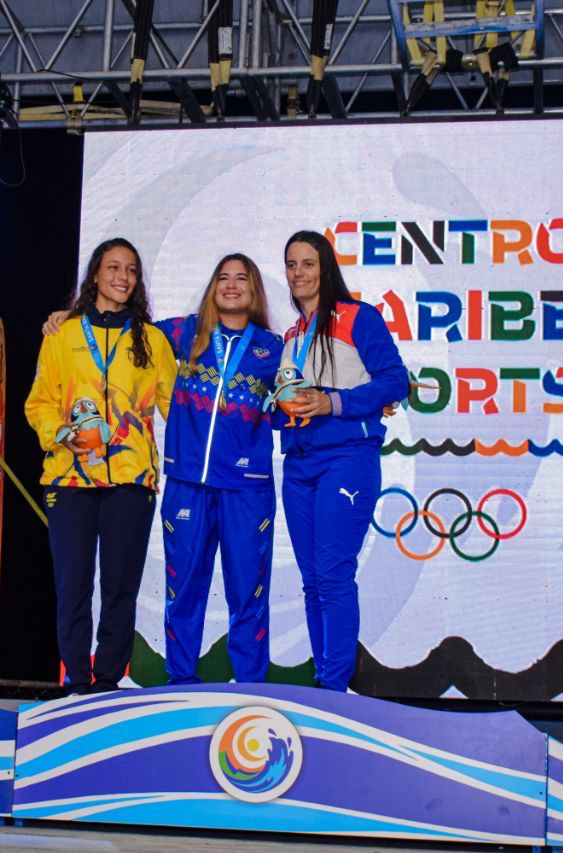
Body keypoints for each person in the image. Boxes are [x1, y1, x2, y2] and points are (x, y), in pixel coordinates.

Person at [45, 254, 284, 685]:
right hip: (187, 483)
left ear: (255, 291)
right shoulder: (182, 333)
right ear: (212, 287)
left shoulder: (275, 349)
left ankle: (251, 688)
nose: (231, 286)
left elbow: (291, 405)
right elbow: (119, 323)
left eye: (241, 279)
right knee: (184, 589)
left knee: (248, 591)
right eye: (222, 278)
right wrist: (71, 316)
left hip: (247, 487)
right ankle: (181, 682)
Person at [25, 237, 176, 695]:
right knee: (73, 586)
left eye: (131, 270)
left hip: (131, 479)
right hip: (69, 476)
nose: (123, 277)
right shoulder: (63, 335)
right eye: (113, 268)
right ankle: (75, 679)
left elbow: (177, 405)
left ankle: (107, 680)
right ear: (94, 275)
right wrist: (62, 433)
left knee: (120, 586)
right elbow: (40, 403)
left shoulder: (151, 340)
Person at [277, 230, 409, 692]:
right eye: (291, 264)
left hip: (346, 458)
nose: (299, 273)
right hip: (297, 465)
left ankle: (334, 691)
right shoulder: (290, 336)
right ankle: (323, 682)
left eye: (308, 263)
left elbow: (396, 381)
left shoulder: (358, 318)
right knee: (312, 581)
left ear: (325, 267)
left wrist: (331, 403)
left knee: (333, 574)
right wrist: (280, 408)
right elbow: (286, 407)